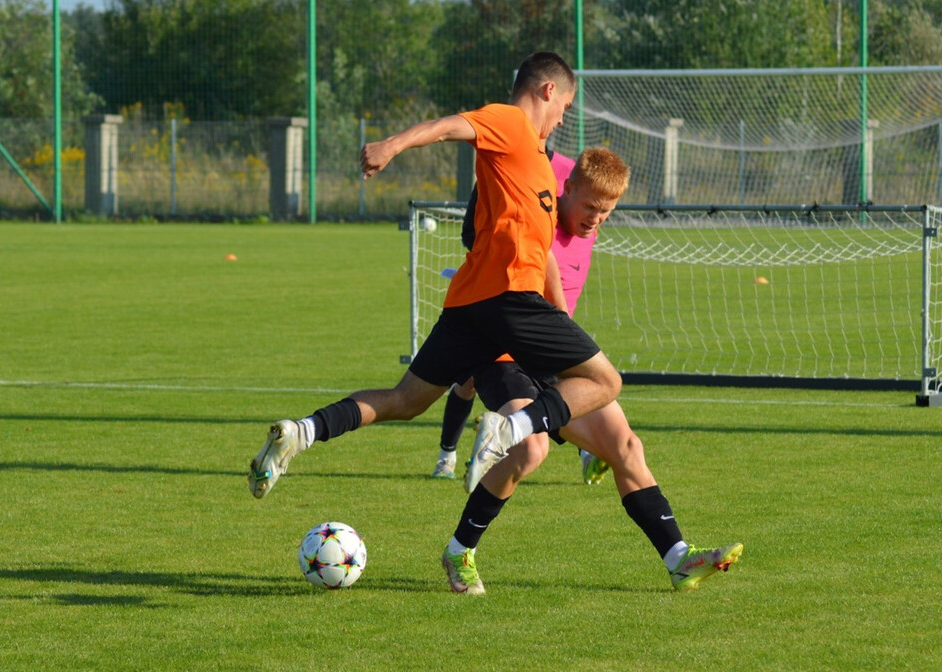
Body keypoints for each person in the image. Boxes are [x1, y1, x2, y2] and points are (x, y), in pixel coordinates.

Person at [248, 51, 623, 500]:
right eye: (565, 107)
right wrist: (391, 145)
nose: (563, 120)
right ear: (547, 91)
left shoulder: (533, 161)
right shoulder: (509, 122)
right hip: (508, 297)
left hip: (472, 302)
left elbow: (535, 247)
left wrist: (559, 315)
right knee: (606, 382)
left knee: (407, 400)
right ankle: (511, 430)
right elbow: (449, 126)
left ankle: (301, 432)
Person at [439, 147, 743, 594]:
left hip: (555, 360)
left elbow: (572, 168)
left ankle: (678, 558)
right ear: (566, 188)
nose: (596, 219)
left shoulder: (589, 214)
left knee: (625, 445)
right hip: (503, 356)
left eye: (607, 211)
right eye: (589, 207)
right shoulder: (538, 212)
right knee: (530, 450)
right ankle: (458, 552)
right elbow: (517, 150)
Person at [431, 148, 610, 487]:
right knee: (465, 384)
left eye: (604, 210)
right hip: (499, 313)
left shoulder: (577, 189)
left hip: (540, 329)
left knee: (569, 387)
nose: (596, 216)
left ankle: (587, 453)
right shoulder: (526, 166)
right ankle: (447, 456)